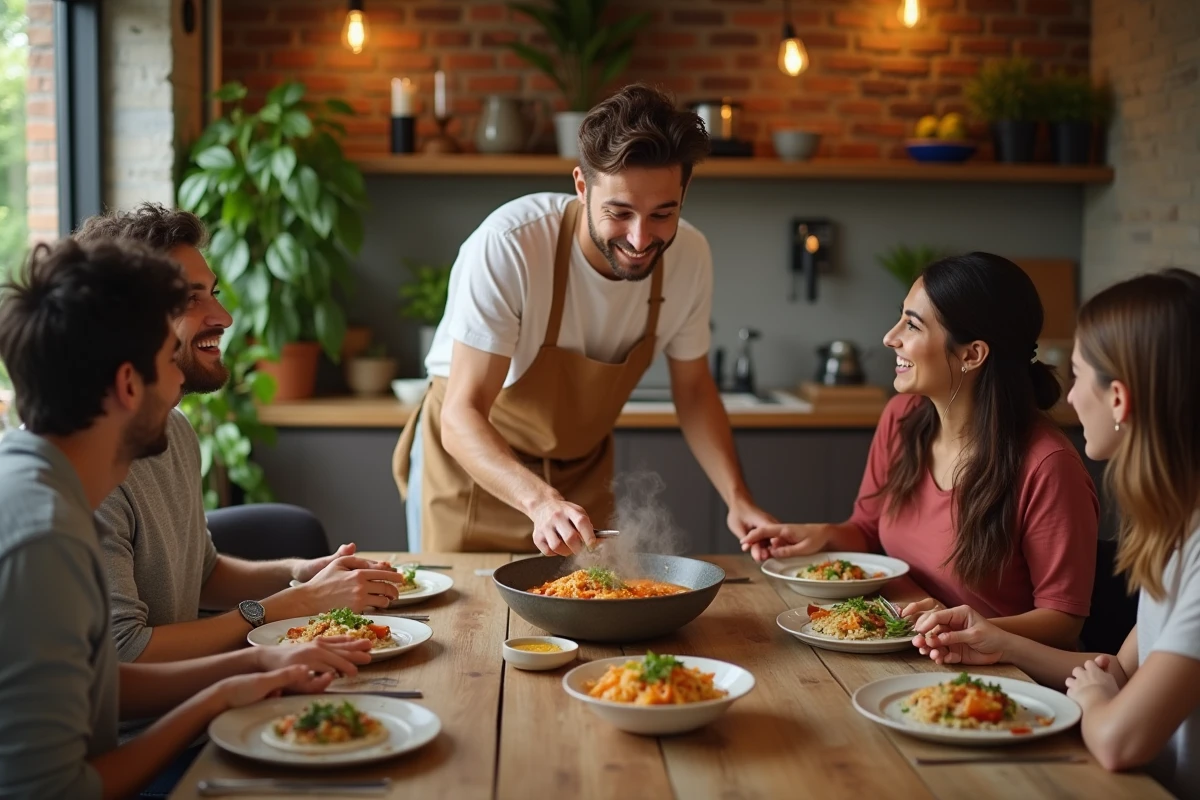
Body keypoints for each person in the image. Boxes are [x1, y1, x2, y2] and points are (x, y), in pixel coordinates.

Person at [0, 239, 371, 800]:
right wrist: (215, 698)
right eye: (167, 358)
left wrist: (251, 667)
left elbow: (95, 684)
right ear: (129, 385)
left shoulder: (43, 484)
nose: (179, 379)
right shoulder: (43, 538)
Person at [392, 84, 775, 556]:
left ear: (684, 193)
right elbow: (461, 414)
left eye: (662, 214)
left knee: (589, 599)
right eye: (620, 212)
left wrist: (738, 499)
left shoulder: (690, 257)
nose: (640, 239)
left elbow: (694, 390)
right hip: (475, 472)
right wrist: (539, 501)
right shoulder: (510, 245)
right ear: (581, 186)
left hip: (579, 479)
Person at [911, 268, 1200, 797]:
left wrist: (1093, 697)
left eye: (1079, 374)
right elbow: (1117, 671)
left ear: (1119, 399)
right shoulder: (1177, 531)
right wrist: (997, 640)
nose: (1069, 395)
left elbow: (1118, 740)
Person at [74, 204, 403, 665]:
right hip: (162, 708)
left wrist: (301, 573)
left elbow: (203, 574)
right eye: (190, 299)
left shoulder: (174, 429)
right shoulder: (88, 471)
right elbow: (125, 654)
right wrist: (291, 604)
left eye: (212, 293)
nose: (225, 317)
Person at [741, 253, 1099, 649]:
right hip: (908, 644)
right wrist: (820, 535)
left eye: (912, 325)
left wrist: (966, 628)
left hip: (999, 672)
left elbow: (1063, 621)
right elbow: (868, 530)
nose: (889, 337)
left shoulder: (1048, 467)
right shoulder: (901, 418)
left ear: (972, 355)